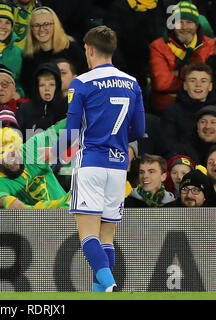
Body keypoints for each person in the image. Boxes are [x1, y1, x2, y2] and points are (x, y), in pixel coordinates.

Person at [41, 26, 145, 292]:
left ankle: (109, 284)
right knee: (106, 237)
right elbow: (139, 129)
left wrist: (52, 153)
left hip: (91, 163)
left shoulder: (82, 83)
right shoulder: (132, 83)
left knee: (87, 234)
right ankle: (101, 293)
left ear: (89, 50)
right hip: (119, 165)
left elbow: (72, 131)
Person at [0, 120, 70, 210]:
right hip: (40, 224)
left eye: (12, 147)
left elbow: (59, 129)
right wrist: (8, 201)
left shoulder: (29, 151)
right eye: (2, 152)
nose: (11, 154)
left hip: (71, 213)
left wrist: (79, 112)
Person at [149, 1, 215, 114]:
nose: (184, 27)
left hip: (203, 106)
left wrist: (178, 73)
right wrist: (195, 77)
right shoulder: (158, 46)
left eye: (189, 22)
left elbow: (211, 80)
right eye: (179, 22)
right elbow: (161, 84)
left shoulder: (209, 44)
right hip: (168, 107)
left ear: (197, 25)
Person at [20, 6, 88, 98]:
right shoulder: (29, 56)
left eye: (46, 24)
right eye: (36, 25)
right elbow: (28, 89)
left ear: (55, 25)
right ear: (31, 29)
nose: (41, 29)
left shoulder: (72, 50)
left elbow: (85, 81)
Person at [161, 62, 216, 147]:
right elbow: (168, 146)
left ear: (210, 86)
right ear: (185, 86)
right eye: (192, 80)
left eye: (203, 81)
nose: (198, 85)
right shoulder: (171, 112)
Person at [16, 62, 67, 139]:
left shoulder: (64, 108)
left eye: (52, 84)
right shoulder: (25, 109)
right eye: (42, 85)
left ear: (57, 86)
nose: (47, 89)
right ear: (36, 87)